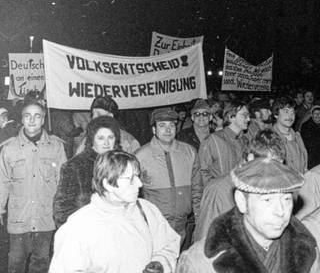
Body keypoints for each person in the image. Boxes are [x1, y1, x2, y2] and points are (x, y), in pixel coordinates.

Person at [177, 158, 320, 273]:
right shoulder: (201, 262)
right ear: (242, 201)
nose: (280, 211)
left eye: (286, 199)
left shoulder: (306, 251)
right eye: (267, 200)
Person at [49, 150, 180, 273]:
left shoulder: (146, 210)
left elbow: (170, 244)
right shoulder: (79, 227)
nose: (139, 183)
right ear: (108, 184)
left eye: (138, 176)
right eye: (131, 179)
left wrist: (160, 262)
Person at [0, 101, 67, 273]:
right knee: (15, 263)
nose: (32, 120)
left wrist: (62, 213)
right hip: (18, 218)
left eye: (37, 116)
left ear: (43, 120)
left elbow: (63, 182)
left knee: (41, 263)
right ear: (22, 119)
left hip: (45, 219)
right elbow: (3, 182)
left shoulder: (57, 147)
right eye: (27, 116)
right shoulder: (9, 148)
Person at [193, 129, 286, 242]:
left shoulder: (268, 186)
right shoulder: (219, 190)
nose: (275, 172)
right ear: (250, 158)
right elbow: (205, 243)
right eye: (271, 166)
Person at [135, 107, 203, 247]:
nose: (168, 129)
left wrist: (199, 216)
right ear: (154, 130)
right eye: (162, 125)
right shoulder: (140, 156)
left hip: (182, 224)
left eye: (171, 125)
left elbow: (197, 188)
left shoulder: (189, 152)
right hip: (154, 224)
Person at [53, 115, 121, 227]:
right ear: (92, 139)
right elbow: (62, 210)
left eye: (110, 137)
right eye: (101, 138)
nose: (106, 143)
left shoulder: (123, 165)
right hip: (87, 232)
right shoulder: (75, 166)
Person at [199, 100, 250, 185]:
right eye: (244, 115)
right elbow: (202, 172)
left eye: (248, 116)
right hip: (219, 195)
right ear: (231, 117)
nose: (248, 119)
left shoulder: (245, 141)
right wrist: (216, 191)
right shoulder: (213, 140)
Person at [75, 95, 140, 155]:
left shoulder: (129, 142)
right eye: (93, 114)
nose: (94, 117)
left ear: (110, 116)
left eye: (99, 114)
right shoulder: (86, 138)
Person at [272, 96, 308, 174]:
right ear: (276, 114)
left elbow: (304, 165)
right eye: (286, 111)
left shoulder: (297, 137)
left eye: (292, 112)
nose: (290, 116)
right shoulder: (270, 138)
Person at [300, 104, 320, 169]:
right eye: (315, 114)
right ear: (311, 115)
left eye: (319, 113)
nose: (318, 116)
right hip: (312, 158)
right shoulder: (306, 126)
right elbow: (308, 144)